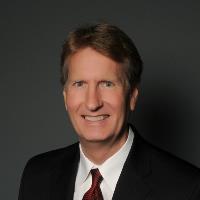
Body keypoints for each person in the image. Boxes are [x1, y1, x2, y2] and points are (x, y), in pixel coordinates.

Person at [18, 23, 200, 200]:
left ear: (132, 97)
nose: (92, 103)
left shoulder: (186, 188)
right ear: (66, 97)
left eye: (107, 84)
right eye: (79, 84)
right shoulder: (37, 176)